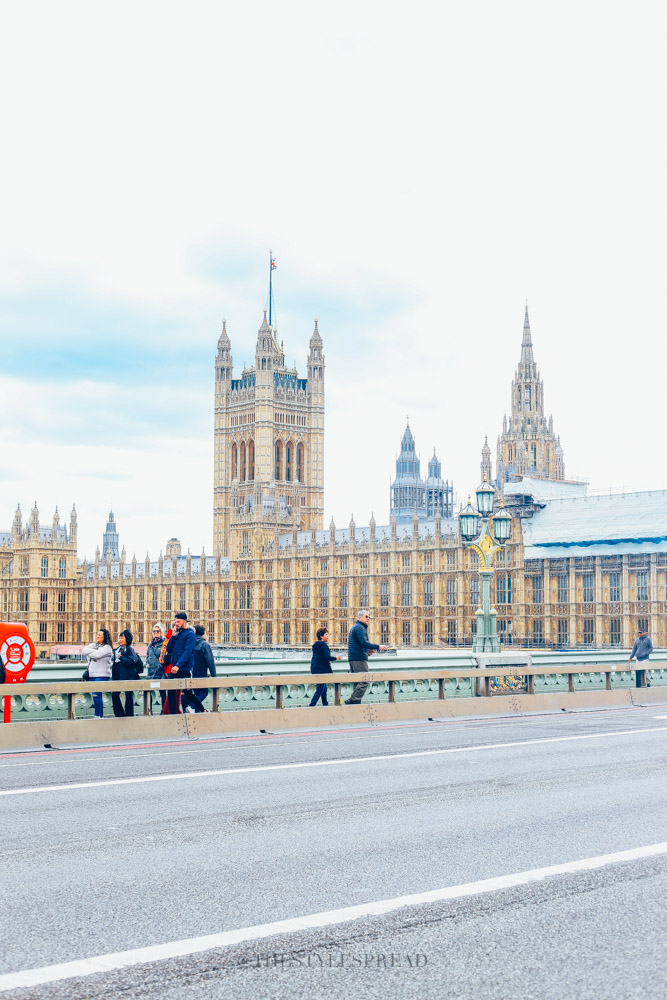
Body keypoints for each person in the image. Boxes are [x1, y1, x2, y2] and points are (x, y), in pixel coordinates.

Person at [344, 609, 388, 705]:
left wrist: (367, 651)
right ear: (360, 617)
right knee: (364, 680)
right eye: (366, 616)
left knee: (357, 682)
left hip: (353, 658)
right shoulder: (360, 627)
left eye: (369, 617)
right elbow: (364, 642)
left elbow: (358, 644)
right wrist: (378, 647)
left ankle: (355, 704)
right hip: (359, 659)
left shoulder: (356, 627)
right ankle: (353, 699)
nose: (368, 618)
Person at [165, 613, 206, 714]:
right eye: (175, 622)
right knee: (170, 692)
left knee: (188, 694)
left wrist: (178, 665)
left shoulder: (190, 635)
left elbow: (187, 652)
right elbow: (168, 649)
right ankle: (173, 714)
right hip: (175, 668)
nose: (176, 624)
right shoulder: (177, 634)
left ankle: (202, 710)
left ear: (184, 621)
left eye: (178, 622)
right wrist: (173, 636)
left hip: (184, 669)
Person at [81, 628, 114, 719]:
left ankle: (96, 715)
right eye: (97, 634)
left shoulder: (107, 648)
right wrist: (95, 652)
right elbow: (83, 650)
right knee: (97, 695)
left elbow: (97, 655)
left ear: (104, 637)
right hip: (92, 674)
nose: (97, 636)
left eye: (99, 635)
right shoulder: (94, 645)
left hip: (103, 674)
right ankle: (100, 716)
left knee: (96, 694)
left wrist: (91, 653)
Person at [111, 629, 143, 717]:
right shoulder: (116, 650)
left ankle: (129, 715)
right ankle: (120, 714)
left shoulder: (130, 649)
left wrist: (121, 657)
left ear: (127, 639)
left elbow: (132, 662)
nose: (120, 640)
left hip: (128, 676)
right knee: (114, 695)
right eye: (119, 638)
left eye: (122, 638)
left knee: (128, 696)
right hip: (118, 676)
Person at [309, 626, 338, 706]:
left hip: (314, 667)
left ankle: (325, 704)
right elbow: (327, 657)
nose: (328, 636)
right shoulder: (324, 645)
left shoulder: (316, 645)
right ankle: (312, 705)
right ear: (321, 636)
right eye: (326, 634)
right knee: (320, 688)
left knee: (323, 687)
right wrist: (336, 658)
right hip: (321, 668)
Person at [191, 625, 216, 707]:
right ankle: (192, 707)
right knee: (204, 693)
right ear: (203, 634)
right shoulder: (205, 644)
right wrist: (214, 675)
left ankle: (196, 711)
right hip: (202, 673)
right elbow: (210, 661)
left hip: (192, 673)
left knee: (197, 694)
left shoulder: (190, 644)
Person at [146, 623, 166, 714]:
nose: (156, 633)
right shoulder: (150, 644)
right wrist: (147, 663)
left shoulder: (164, 643)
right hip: (151, 672)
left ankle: (164, 710)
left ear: (161, 632)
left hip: (160, 671)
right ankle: (149, 710)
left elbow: (166, 656)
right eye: (154, 631)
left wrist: (161, 665)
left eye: (157, 631)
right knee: (148, 692)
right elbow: (147, 656)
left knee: (162, 693)